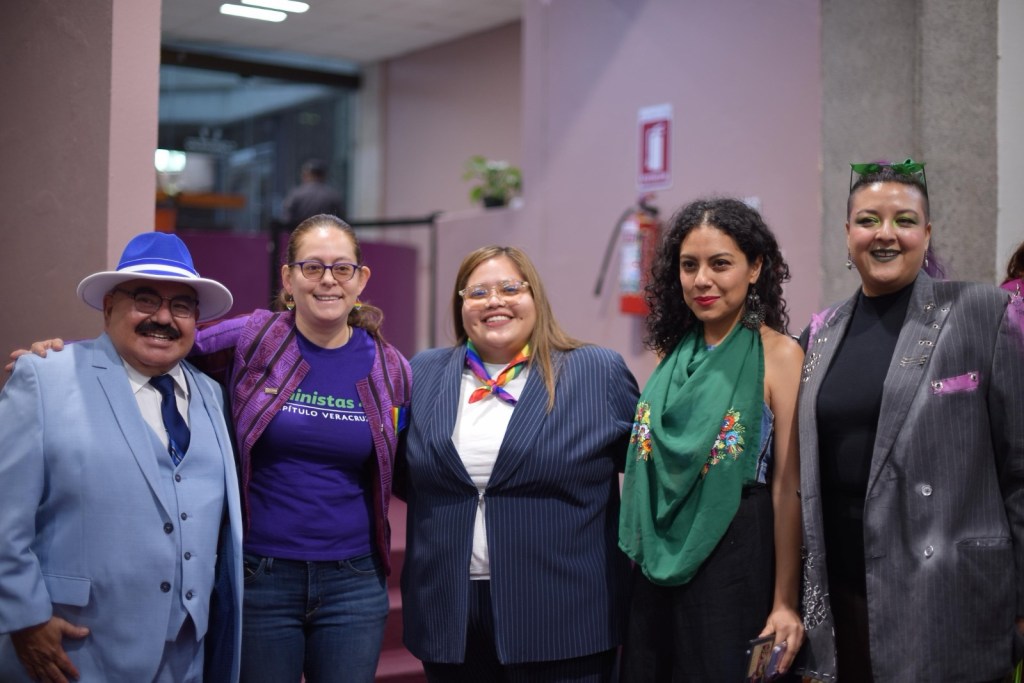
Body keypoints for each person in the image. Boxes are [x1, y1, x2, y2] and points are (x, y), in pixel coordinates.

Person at [796, 159, 1024, 682]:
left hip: (948, 597)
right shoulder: (819, 334)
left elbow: (1021, 468)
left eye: (904, 220)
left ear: (927, 233)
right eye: (868, 220)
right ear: (847, 233)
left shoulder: (984, 313)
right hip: (845, 595)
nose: (886, 234)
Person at [0, 232, 243, 682]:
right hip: (76, 651)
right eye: (145, 299)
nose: (163, 318)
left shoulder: (214, 395)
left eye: (181, 306)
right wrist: (24, 618)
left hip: (186, 658)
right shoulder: (45, 379)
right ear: (110, 306)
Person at [186, 213, 411, 683]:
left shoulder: (390, 368)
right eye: (312, 267)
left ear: (360, 279)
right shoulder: (254, 339)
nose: (328, 279)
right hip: (261, 576)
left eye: (342, 268)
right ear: (288, 279)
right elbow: (161, 346)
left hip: (354, 581)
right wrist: (72, 357)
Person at [397, 245, 639, 682]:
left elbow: (645, 475)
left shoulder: (595, 372)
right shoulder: (424, 373)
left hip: (564, 614)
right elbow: (406, 476)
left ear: (535, 297)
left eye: (510, 288)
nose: (495, 301)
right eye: (478, 292)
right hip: (450, 617)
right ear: (460, 305)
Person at [618, 197, 805, 682]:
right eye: (689, 266)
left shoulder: (780, 355)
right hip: (657, 558)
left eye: (720, 264)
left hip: (736, 556)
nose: (702, 280)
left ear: (755, 268)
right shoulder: (671, 354)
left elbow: (788, 488)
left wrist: (785, 601)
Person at [281, 158, 344, 227]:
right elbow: (341, 221)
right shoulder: (332, 195)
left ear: (306, 174)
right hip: (325, 231)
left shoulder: (296, 194)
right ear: (324, 175)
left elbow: (287, 219)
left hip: (301, 232)